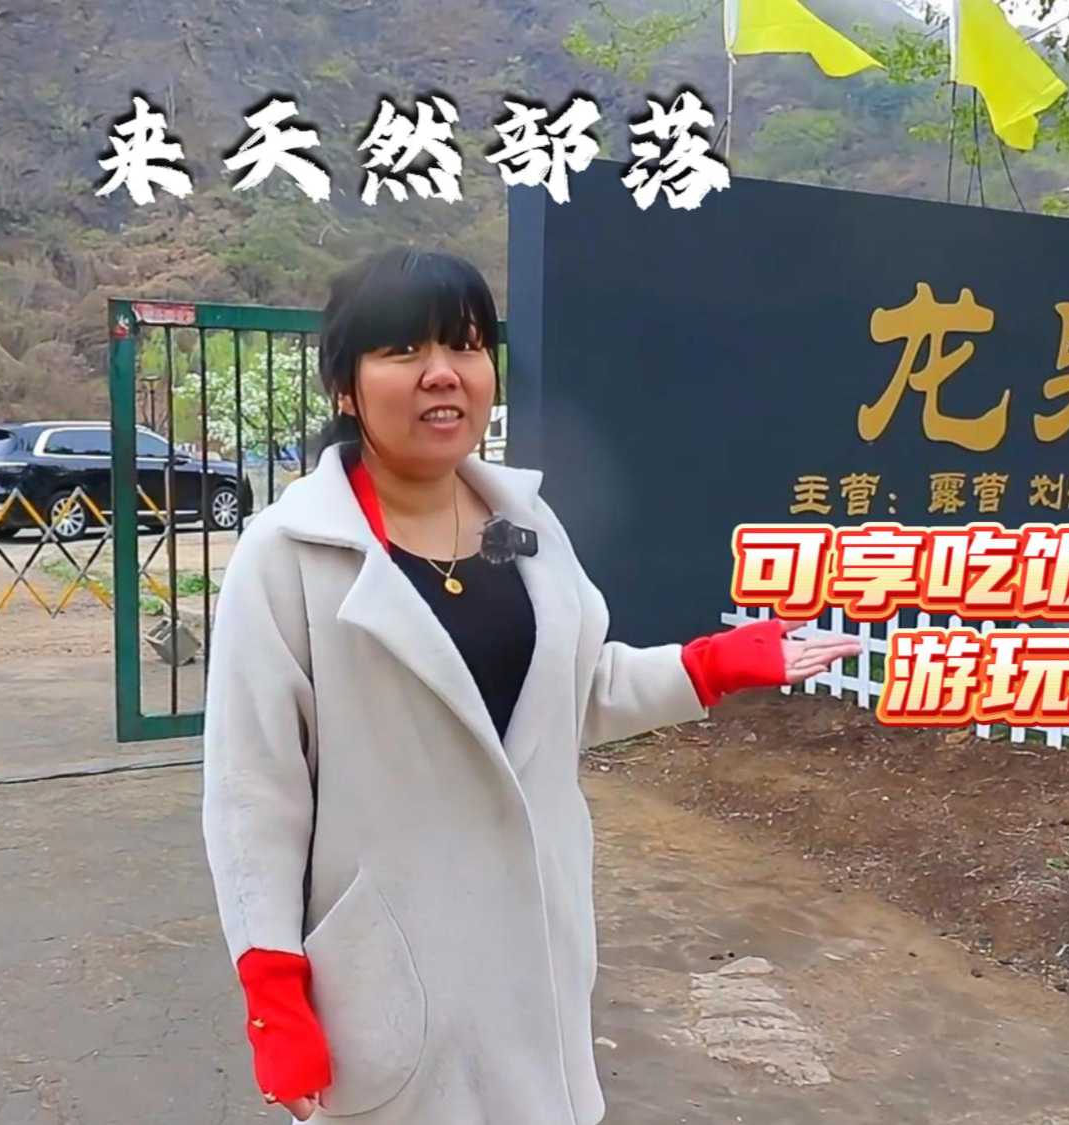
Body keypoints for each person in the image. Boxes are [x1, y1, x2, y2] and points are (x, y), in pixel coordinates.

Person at [201, 247, 860, 1124]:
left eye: (466, 345)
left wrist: (715, 664)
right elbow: (253, 793)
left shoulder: (525, 523)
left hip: (534, 961)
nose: (443, 372)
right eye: (404, 350)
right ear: (346, 388)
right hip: (392, 971)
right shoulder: (288, 556)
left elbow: (575, 692)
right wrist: (273, 992)